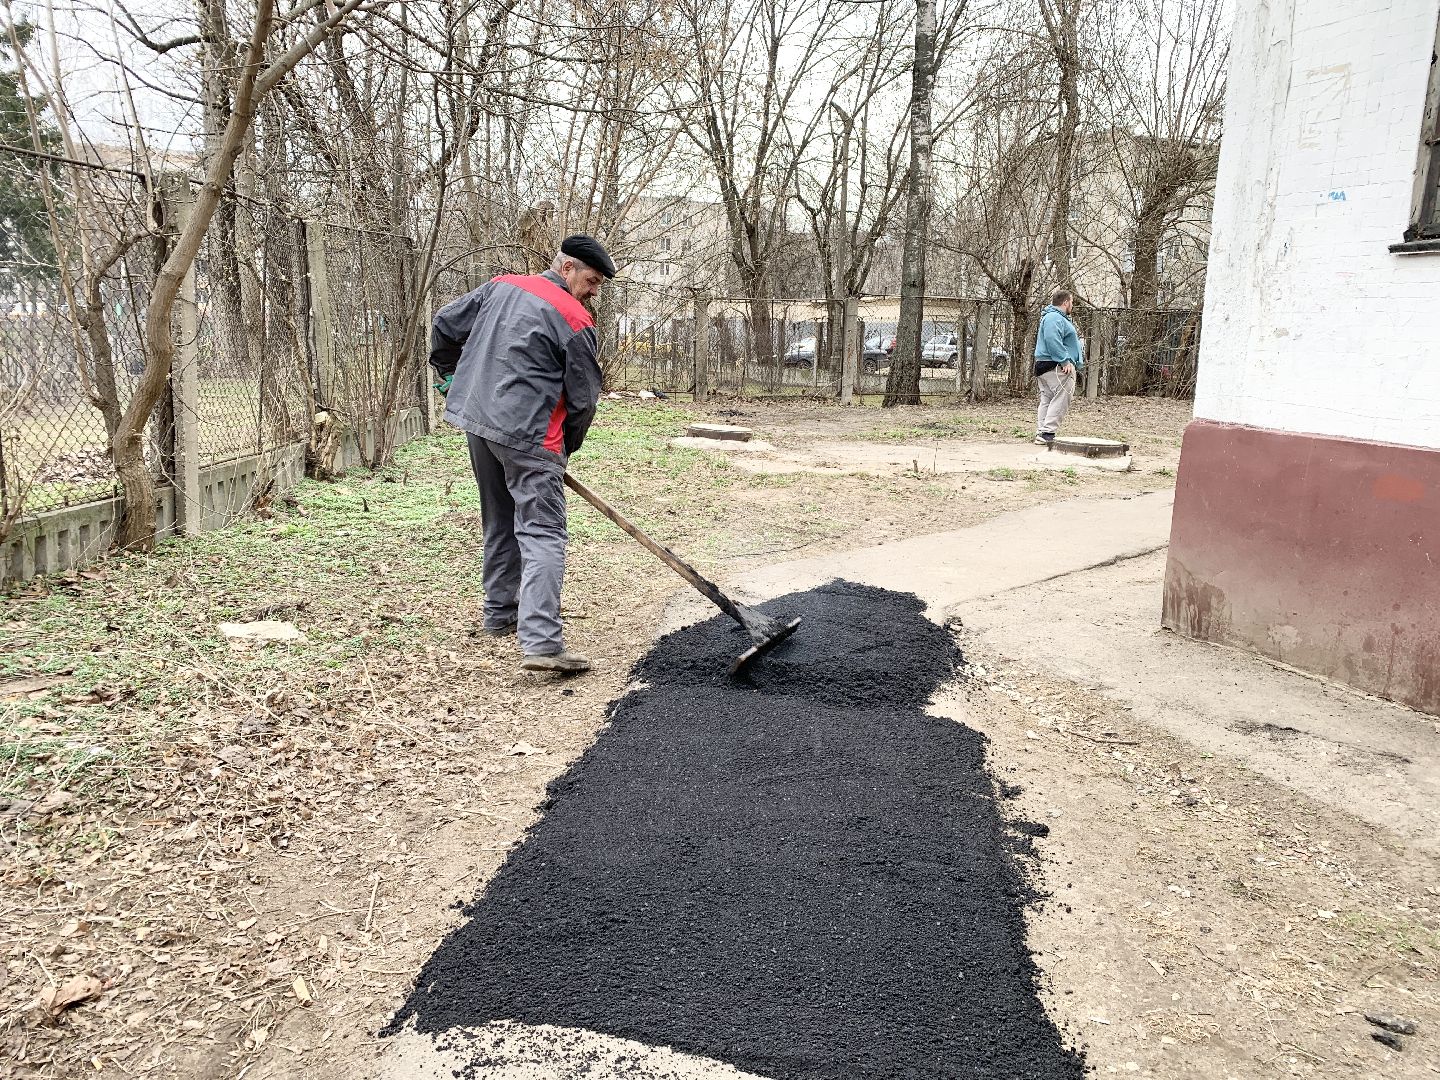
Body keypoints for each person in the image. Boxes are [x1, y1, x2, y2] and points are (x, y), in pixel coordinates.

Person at [429, 235, 615, 673]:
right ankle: (542, 644)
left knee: (499, 520)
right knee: (543, 533)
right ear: (567, 268)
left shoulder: (501, 287)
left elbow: (444, 324)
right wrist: (565, 446)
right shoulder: (574, 319)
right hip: (530, 437)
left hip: (479, 423)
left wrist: (450, 377)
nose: (594, 291)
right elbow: (585, 399)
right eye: (591, 280)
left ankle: (499, 614)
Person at [1033, 288, 1084, 445]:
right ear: (1066, 302)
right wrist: (1064, 360)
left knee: (1047, 398)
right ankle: (1048, 432)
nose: (1072, 306)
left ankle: (1042, 432)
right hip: (1057, 366)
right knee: (1062, 397)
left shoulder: (1052, 317)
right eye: (1072, 303)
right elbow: (1052, 339)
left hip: (1046, 364)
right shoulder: (1055, 317)